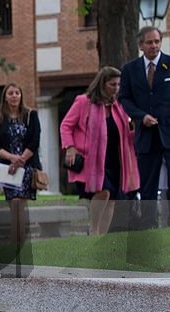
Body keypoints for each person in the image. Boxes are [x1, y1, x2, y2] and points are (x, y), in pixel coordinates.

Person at [60, 66, 140, 236]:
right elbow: (66, 125)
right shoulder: (84, 102)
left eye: (119, 85)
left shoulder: (118, 106)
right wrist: (70, 147)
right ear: (102, 84)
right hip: (91, 161)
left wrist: (135, 130)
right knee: (103, 192)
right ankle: (93, 229)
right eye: (113, 84)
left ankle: (100, 238)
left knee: (112, 199)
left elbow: (125, 134)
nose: (116, 88)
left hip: (114, 160)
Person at [118, 26, 170, 226]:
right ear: (141, 45)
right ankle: (150, 223)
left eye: (157, 41)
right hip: (146, 135)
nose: (154, 46)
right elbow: (124, 98)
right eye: (149, 42)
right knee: (148, 184)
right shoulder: (130, 70)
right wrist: (141, 117)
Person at [0, 83, 41, 255]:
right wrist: (12, 159)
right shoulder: (0, 118)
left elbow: (35, 141)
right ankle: (17, 243)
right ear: (5, 97)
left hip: (26, 167)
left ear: (21, 96)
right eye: (10, 93)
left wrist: (20, 160)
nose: (14, 96)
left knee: (19, 203)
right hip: (8, 169)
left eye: (17, 93)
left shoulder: (31, 115)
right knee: (14, 206)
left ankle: (18, 243)